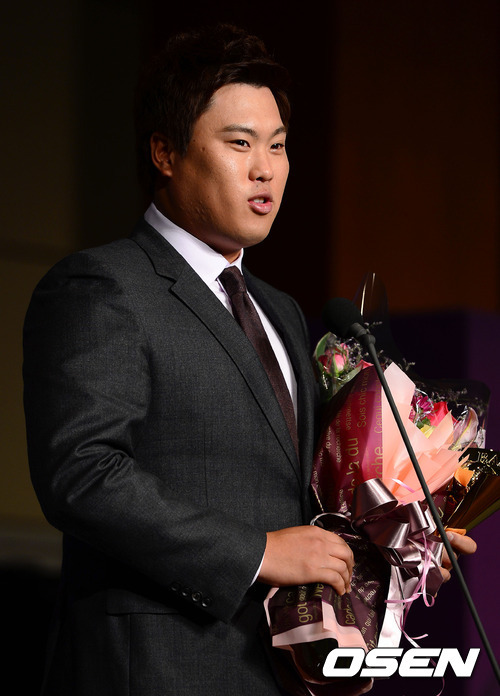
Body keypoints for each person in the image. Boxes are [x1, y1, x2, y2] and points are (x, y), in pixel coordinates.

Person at [23, 23, 475, 696]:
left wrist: (398, 543)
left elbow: (305, 500)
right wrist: (257, 552)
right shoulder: (104, 286)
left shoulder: (281, 311)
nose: (266, 168)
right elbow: (82, 475)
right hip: (156, 666)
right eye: (239, 143)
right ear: (165, 151)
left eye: (278, 145)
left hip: (278, 669)